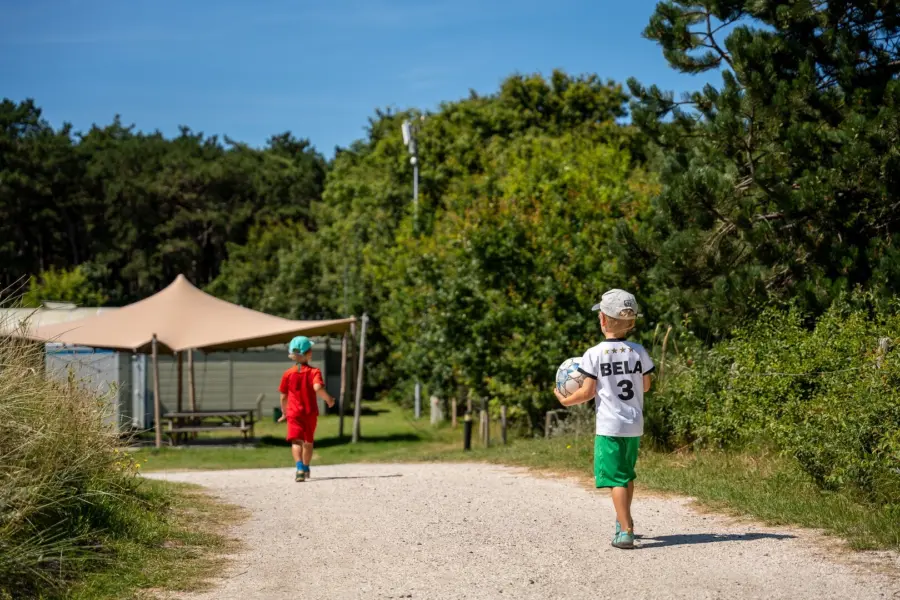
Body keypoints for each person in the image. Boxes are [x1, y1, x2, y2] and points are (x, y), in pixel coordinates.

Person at [554, 289, 654, 549]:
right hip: (634, 424)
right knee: (626, 474)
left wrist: (565, 400)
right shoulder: (638, 351)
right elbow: (645, 386)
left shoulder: (594, 354)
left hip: (610, 426)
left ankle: (626, 531)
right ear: (631, 321)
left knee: (615, 478)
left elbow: (586, 392)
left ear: (603, 320)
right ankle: (623, 521)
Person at [278, 336, 335, 482]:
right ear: (309, 353)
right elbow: (317, 387)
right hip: (309, 413)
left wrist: (284, 412)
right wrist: (329, 399)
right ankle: (306, 466)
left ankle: (299, 469)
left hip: (293, 413)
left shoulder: (287, 374)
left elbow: (283, 397)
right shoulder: (314, 372)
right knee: (308, 442)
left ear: (292, 354)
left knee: (296, 442)